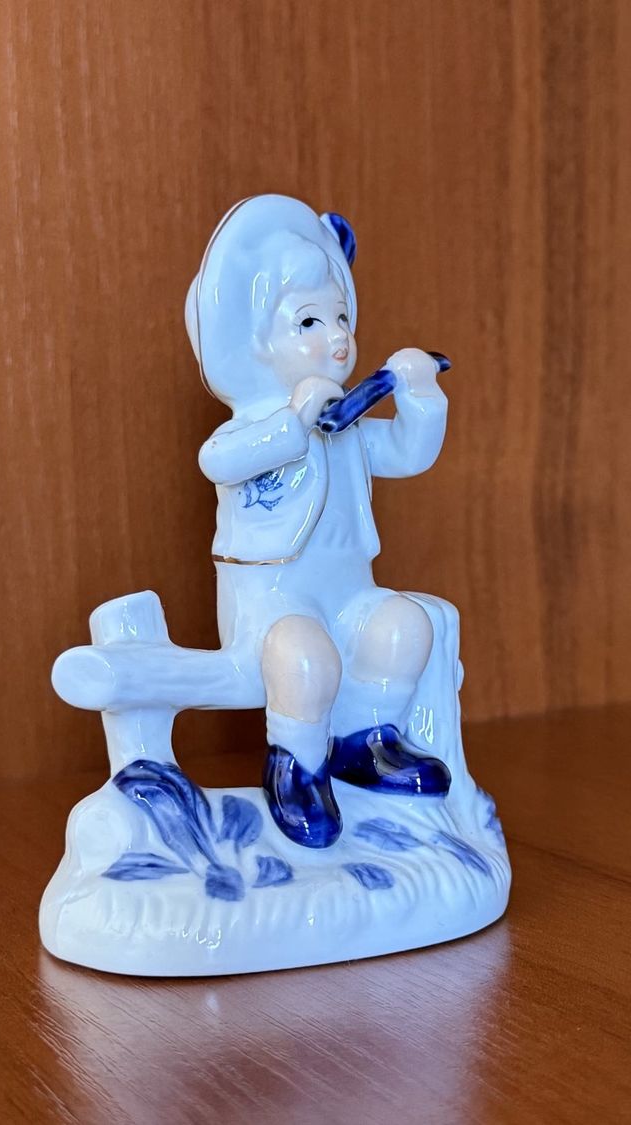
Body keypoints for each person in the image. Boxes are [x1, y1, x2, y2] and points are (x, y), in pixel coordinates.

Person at [186, 194, 452, 849]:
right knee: (304, 659)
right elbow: (217, 461)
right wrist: (294, 422)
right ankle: (298, 767)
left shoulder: (348, 429)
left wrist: (420, 395)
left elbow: (406, 453)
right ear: (258, 343)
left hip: (348, 590)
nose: (336, 337)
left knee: (403, 625)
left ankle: (366, 741)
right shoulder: (256, 426)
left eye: (340, 317)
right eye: (309, 321)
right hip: (273, 603)